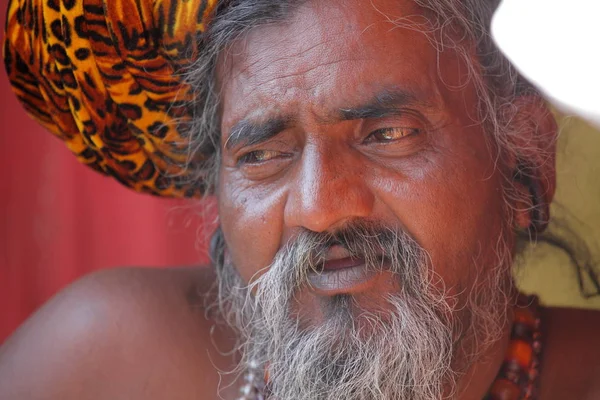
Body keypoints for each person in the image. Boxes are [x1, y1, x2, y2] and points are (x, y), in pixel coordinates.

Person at [1, 0, 600, 399]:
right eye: (262, 155)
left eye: (387, 134)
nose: (319, 207)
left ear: (525, 157)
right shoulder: (107, 364)